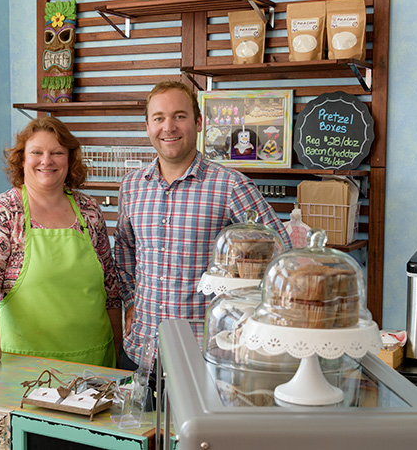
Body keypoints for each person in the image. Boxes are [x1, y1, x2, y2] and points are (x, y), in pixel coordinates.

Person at [114, 80, 291, 372]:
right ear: (148, 126)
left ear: (198, 122)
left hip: (205, 353)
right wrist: (131, 301)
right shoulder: (132, 186)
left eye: (179, 116)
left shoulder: (231, 186)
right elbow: (124, 250)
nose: (168, 127)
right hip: (141, 352)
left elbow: (281, 251)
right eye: (159, 118)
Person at [0, 116, 122, 370]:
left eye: (57, 152)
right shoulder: (3, 211)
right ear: (22, 160)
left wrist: (118, 351)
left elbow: (110, 288)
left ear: (69, 159)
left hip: (94, 362)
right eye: (37, 152)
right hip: (23, 365)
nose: (47, 160)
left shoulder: (89, 210)